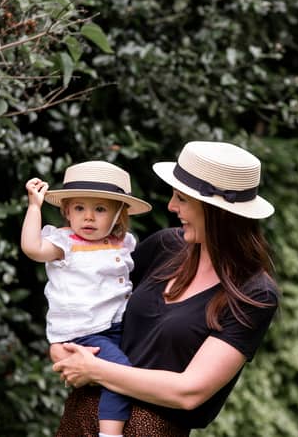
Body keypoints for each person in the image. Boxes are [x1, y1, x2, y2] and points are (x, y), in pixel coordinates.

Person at [51, 141, 280, 436]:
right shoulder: (166, 246)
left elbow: (189, 392)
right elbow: (87, 294)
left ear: (216, 210)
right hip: (80, 417)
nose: (171, 207)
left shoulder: (254, 293)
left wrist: (94, 370)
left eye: (181, 199)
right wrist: (60, 346)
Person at [21, 160, 152, 437]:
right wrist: (35, 208)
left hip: (115, 327)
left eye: (100, 209)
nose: (88, 217)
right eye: (79, 208)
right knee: (119, 374)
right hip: (84, 331)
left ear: (119, 214)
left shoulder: (124, 242)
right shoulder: (65, 244)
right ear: (67, 211)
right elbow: (32, 247)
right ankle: (109, 434)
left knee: (132, 369)